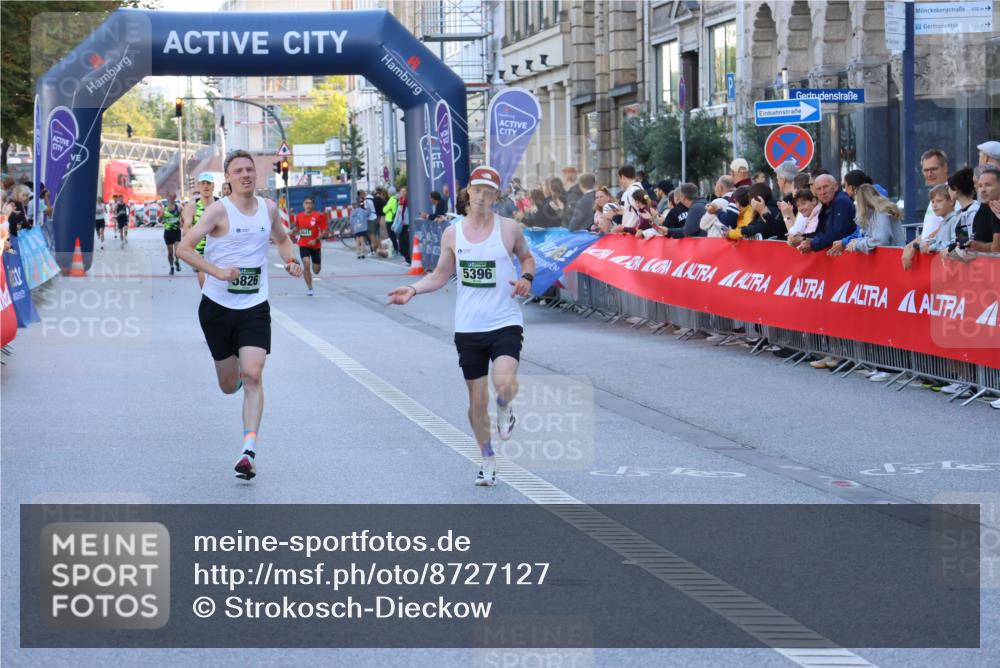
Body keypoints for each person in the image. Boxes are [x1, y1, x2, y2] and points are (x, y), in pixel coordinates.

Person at [387, 165, 535, 487]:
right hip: (469, 327)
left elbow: (527, 258)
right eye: (478, 190)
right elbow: (441, 274)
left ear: (497, 196)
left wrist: (526, 277)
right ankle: (487, 458)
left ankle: (506, 407)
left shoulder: (509, 229)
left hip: (505, 320)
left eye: (489, 191)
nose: (483, 196)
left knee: (504, 382)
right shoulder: (453, 233)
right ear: (468, 192)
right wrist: (412, 290)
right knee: (477, 401)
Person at [176, 149, 303, 481]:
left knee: (254, 374)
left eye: (250, 170)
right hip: (217, 309)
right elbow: (184, 249)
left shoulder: (269, 209)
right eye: (238, 171)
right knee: (228, 383)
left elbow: (284, 239)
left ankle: (248, 451)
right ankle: (232, 377)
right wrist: (216, 271)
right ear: (228, 178)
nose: (246, 174)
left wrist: (291, 260)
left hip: (254, 307)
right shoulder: (219, 211)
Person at [828, 183, 904, 255]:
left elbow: (880, 239)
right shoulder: (883, 210)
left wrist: (857, 244)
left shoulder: (881, 212)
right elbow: (869, 236)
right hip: (895, 254)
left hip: (893, 256)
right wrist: (855, 242)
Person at [796, 175, 857, 253]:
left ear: (835, 186)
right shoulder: (826, 204)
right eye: (819, 189)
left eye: (825, 187)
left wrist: (812, 244)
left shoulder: (841, 201)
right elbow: (822, 232)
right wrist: (803, 238)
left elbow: (838, 234)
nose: (822, 192)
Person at [182, 173, 219, 287]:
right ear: (198, 186)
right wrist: (193, 246)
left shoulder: (220, 204)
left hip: (218, 249)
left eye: (208, 183)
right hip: (200, 251)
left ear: (213, 186)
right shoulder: (193, 206)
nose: (206, 186)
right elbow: (186, 228)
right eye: (203, 183)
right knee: (206, 289)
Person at [292, 196, 329, 295]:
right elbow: (297, 227)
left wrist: (316, 239)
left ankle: (317, 263)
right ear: (303, 205)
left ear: (313, 205)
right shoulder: (299, 216)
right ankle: (310, 288)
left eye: (310, 203)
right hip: (303, 244)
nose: (308, 205)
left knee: (316, 270)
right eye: (306, 203)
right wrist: (294, 230)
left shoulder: (318, 216)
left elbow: (325, 231)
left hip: (315, 245)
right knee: (306, 264)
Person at [967, 165, 1000, 253]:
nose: (982, 190)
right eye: (980, 186)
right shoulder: (988, 206)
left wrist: (980, 246)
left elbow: (996, 249)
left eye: (988, 185)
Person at [617, 165, 644, 232]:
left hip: (632, 233)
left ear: (623, 177)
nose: (620, 181)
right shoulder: (638, 189)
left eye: (620, 179)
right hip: (633, 232)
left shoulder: (631, 192)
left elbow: (641, 212)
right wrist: (623, 211)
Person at [162, 192, 182, 275]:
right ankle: (171, 267)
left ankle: (177, 261)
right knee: (170, 252)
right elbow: (160, 220)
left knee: (177, 251)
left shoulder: (179, 208)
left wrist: (182, 222)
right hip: (168, 232)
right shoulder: (164, 209)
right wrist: (161, 216)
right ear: (167, 198)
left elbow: (183, 218)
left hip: (176, 231)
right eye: (169, 197)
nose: (171, 198)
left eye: (173, 197)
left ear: (175, 198)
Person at [383, 188, 401, 257]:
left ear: (390, 193)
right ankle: (397, 249)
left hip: (390, 219)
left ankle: (396, 250)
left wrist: (385, 208)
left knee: (392, 236)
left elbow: (385, 210)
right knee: (395, 235)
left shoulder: (391, 200)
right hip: (394, 219)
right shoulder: (396, 199)